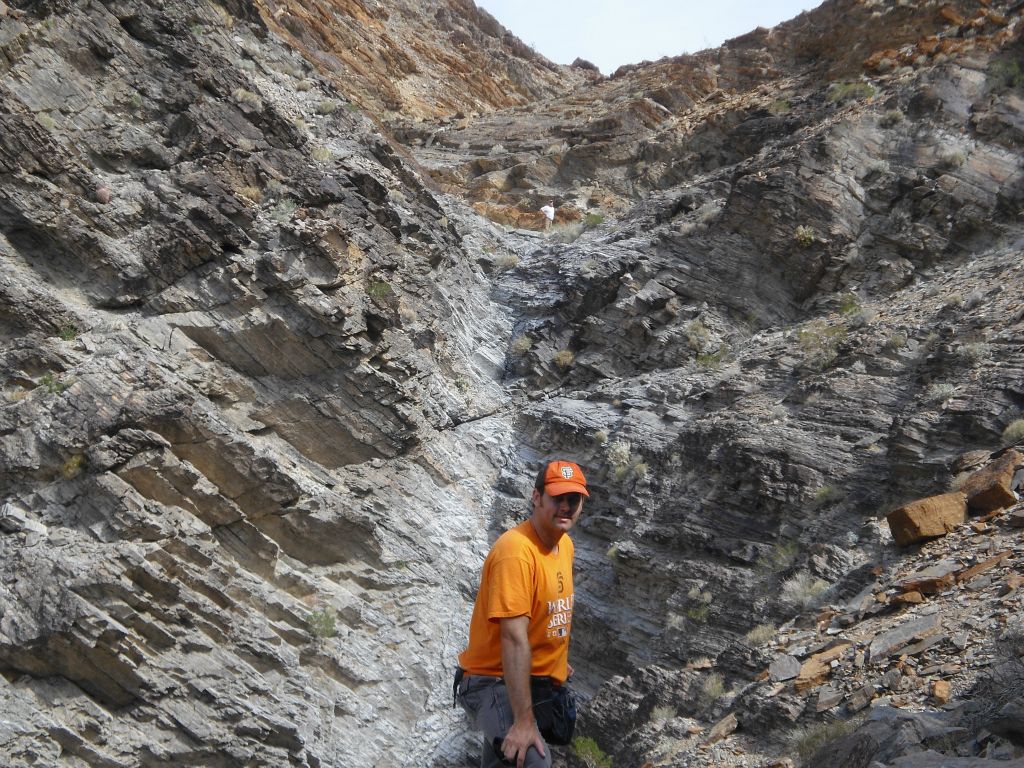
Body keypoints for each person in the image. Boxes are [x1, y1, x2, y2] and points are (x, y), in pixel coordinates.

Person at [455, 460, 589, 768]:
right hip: (493, 681)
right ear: (537, 497)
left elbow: (544, 613)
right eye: (557, 498)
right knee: (533, 761)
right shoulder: (516, 552)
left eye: (574, 499)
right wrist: (524, 723)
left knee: (503, 762)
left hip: (530, 679)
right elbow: (513, 637)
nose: (566, 507)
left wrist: (553, 659)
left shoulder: (564, 545)